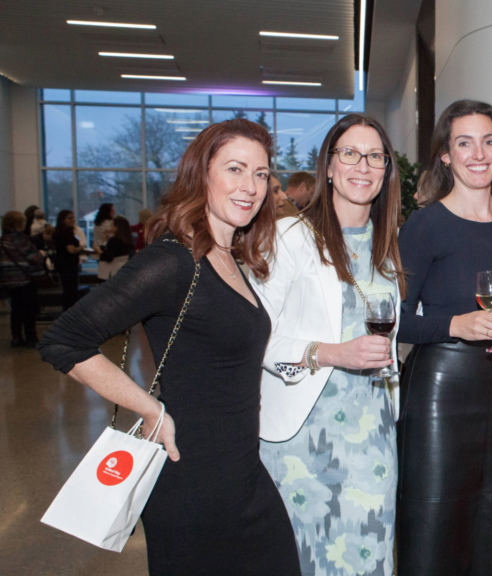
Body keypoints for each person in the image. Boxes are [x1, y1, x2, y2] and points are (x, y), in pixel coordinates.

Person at [38, 119, 300, 576]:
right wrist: (150, 409)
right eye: (236, 169)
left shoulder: (230, 257)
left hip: (242, 474)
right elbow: (64, 340)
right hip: (192, 481)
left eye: (261, 174)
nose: (251, 186)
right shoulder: (172, 260)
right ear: (202, 174)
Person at [254, 114, 405, 576]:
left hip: (373, 430)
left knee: (371, 553)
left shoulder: (388, 245)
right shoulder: (289, 237)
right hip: (301, 436)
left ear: (385, 171)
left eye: (375, 155)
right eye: (350, 153)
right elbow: (256, 338)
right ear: (330, 166)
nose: (363, 165)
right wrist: (332, 353)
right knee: (304, 558)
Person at [396, 100, 492, 576]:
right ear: (446, 155)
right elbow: (396, 320)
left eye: (488, 141)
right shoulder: (425, 224)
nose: (478, 153)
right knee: (433, 535)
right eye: (464, 142)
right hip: (440, 395)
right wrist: (455, 325)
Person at [1, 211, 45, 346]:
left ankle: (16, 337)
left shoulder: (3, 239)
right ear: (17, 223)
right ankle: (31, 337)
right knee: (29, 309)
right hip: (25, 278)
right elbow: (33, 257)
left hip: (9, 279)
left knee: (16, 310)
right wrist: (41, 254)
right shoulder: (21, 239)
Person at [52, 209, 82, 310]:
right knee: (70, 292)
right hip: (67, 265)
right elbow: (71, 250)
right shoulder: (64, 233)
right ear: (62, 220)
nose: (72, 220)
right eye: (69, 218)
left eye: (73, 217)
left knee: (70, 291)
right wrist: (81, 248)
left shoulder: (66, 232)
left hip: (67, 265)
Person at [97, 216, 135, 280]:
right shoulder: (129, 240)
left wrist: (99, 251)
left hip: (112, 271)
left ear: (116, 227)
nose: (110, 227)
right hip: (123, 269)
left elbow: (108, 256)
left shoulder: (114, 240)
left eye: (112, 225)